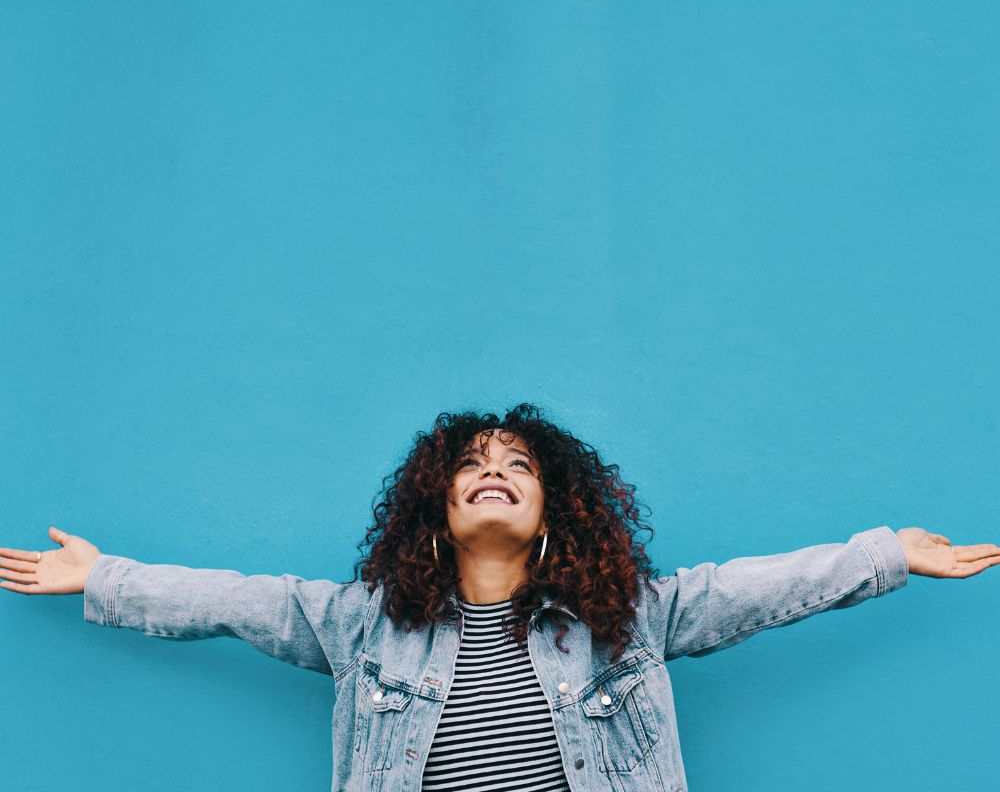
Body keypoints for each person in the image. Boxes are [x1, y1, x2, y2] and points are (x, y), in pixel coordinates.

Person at [2, 402, 998, 792]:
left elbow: (749, 588)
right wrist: (105, 575)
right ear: (435, 504)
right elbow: (236, 599)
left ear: (548, 506)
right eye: (472, 462)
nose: (494, 470)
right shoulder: (363, 624)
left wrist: (886, 553)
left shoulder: (628, 616)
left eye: (517, 463)